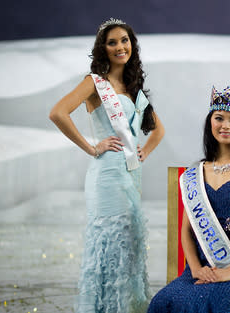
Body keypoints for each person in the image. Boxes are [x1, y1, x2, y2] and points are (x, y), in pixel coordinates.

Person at [49, 18, 165, 313]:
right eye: (112, 42)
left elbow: (158, 130)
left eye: (124, 41)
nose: (119, 47)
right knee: (109, 249)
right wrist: (91, 147)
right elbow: (58, 112)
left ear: (132, 45)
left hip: (131, 175)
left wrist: (143, 153)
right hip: (107, 177)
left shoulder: (133, 86)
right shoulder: (94, 82)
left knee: (130, 248)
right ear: (103, 48)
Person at [147, 85, 230, 313]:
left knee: (200, 304)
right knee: (159, 304)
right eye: (219, 118)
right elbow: (186, 230)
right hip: (200, 269)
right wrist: (195, 269)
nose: (226, 125)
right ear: (210, 123)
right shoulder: (194, 173)